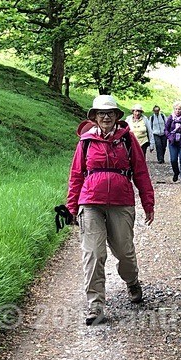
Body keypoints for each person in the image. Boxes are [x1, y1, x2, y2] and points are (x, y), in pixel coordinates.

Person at [67, 94, 155, 326]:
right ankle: (95, 305)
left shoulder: (127, 140)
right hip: (90, 202)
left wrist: (148, 203)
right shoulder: (85, 142)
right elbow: (76, 175)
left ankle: (132, 280)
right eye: (101, 113)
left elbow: (141, 172)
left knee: (124, 252)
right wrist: (71, 206)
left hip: (121, 201)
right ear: (94, 117)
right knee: (94, 254)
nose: (105, 117)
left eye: (110, 113)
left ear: (117, 116)